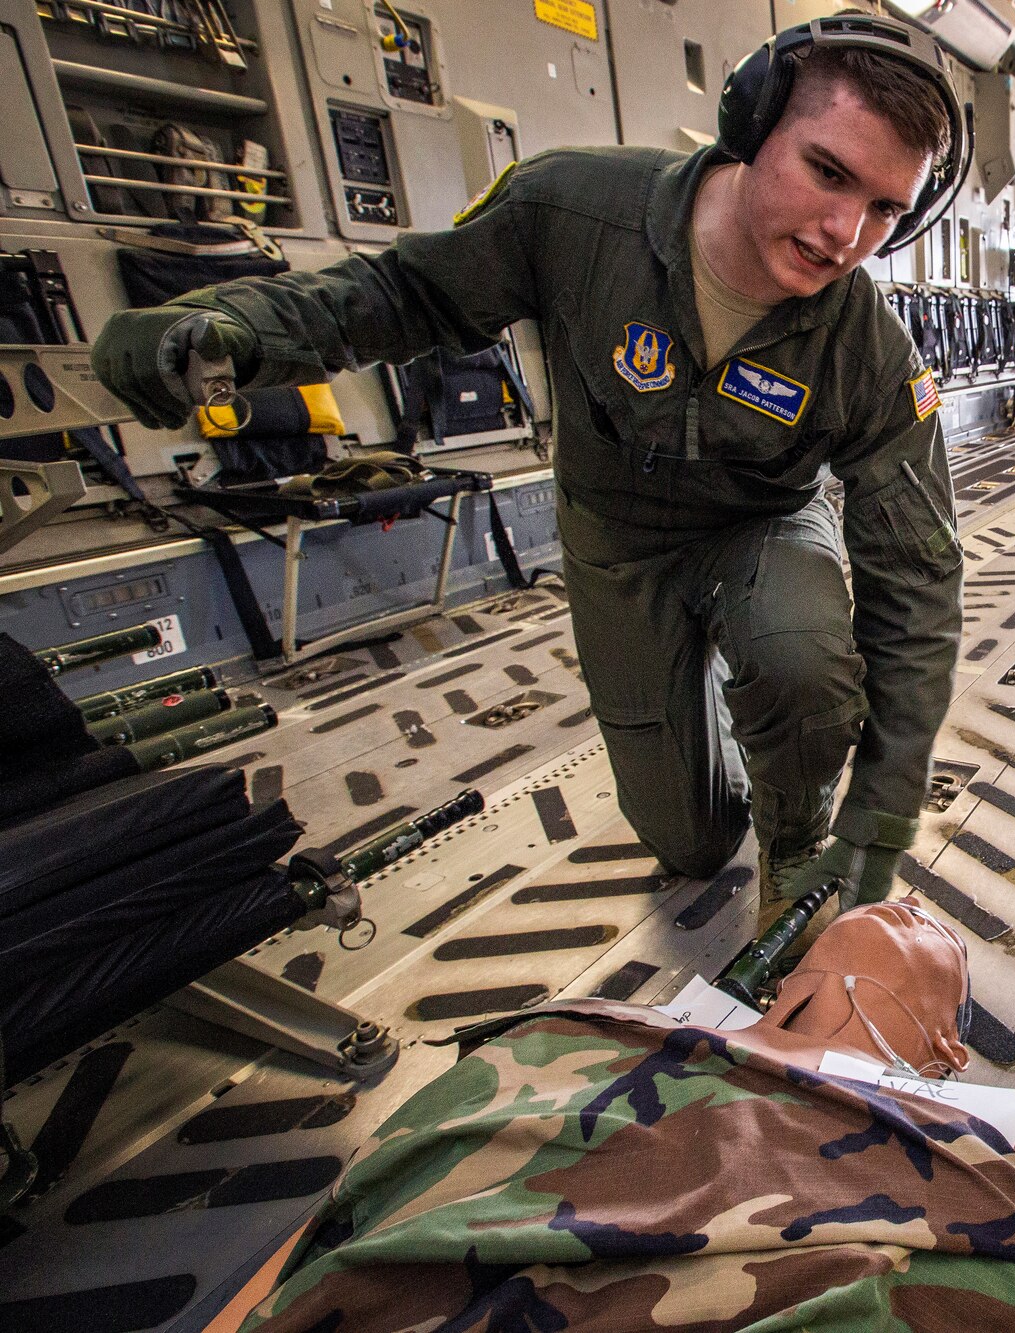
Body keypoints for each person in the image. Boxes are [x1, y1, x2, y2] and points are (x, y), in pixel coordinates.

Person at [89, 17, 968, 932]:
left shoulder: (865, 343)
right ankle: (709, 746)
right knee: (692, 845)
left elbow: (916, 576)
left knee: (802, 657)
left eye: (885, 209)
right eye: (828, 172)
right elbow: (405, 293)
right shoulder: (574, 212)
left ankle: (790, 830)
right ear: (749, 125)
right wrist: (235, 326)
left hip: (764, 531)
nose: (844, 232)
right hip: (617, 547)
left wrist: (879, 816)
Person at [218, 901, 1015, 1332]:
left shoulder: (973, 1155)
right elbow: (333, 1238)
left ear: (947, 1049)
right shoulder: (555, 1033)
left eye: (939, 942)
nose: (912, 903)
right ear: (783, 983)